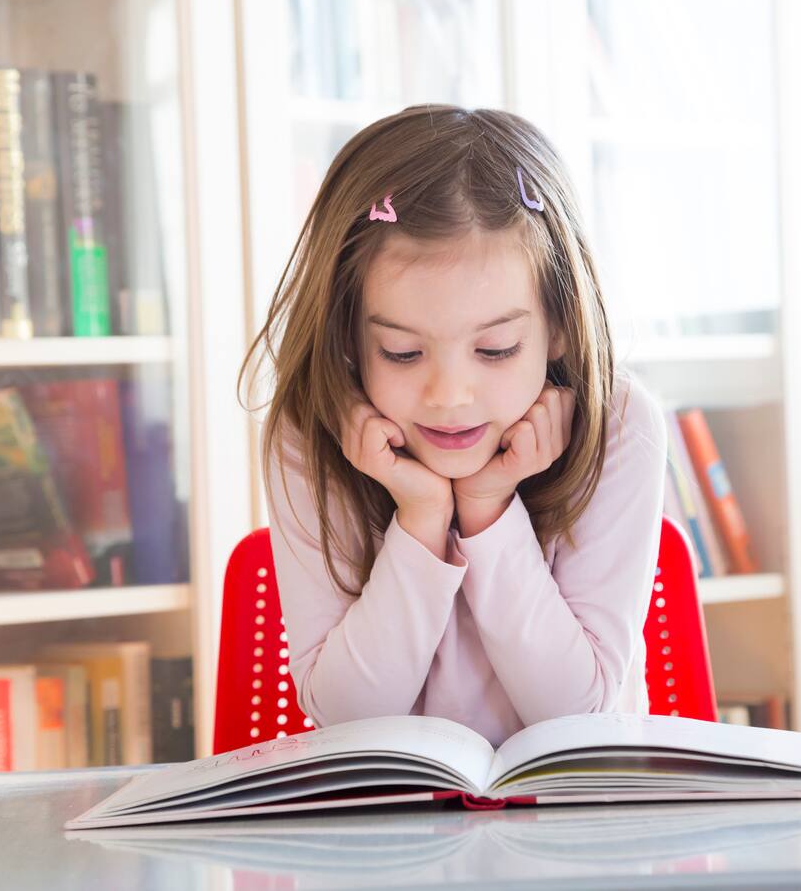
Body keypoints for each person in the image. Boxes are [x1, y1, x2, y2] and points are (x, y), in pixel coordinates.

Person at [240, 105, 668, 748]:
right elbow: (348, 718)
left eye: (495, 349)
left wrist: (488, 510)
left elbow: (577, 712)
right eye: (403, 354)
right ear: (349, 337)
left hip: (575, 832)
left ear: (557, 324)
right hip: (390, 836)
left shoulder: (621, 426)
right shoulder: (309, 434)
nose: (449, 397)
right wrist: (420, 518)